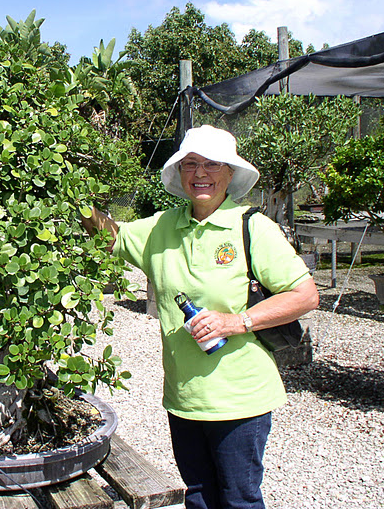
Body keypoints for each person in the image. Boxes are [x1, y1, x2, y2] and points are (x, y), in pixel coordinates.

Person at [83, 124, 319, 509]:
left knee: (239, 499)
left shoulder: (251, 227)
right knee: (199, 497)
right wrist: (68, 192)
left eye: (212, 164)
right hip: (184, 398)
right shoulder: (161, 227)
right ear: (179, 174)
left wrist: (235, 322)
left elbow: (306, 295)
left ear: (230, 173)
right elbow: (110, 235)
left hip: (240, 400)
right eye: (191, 164)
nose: (201, 174)